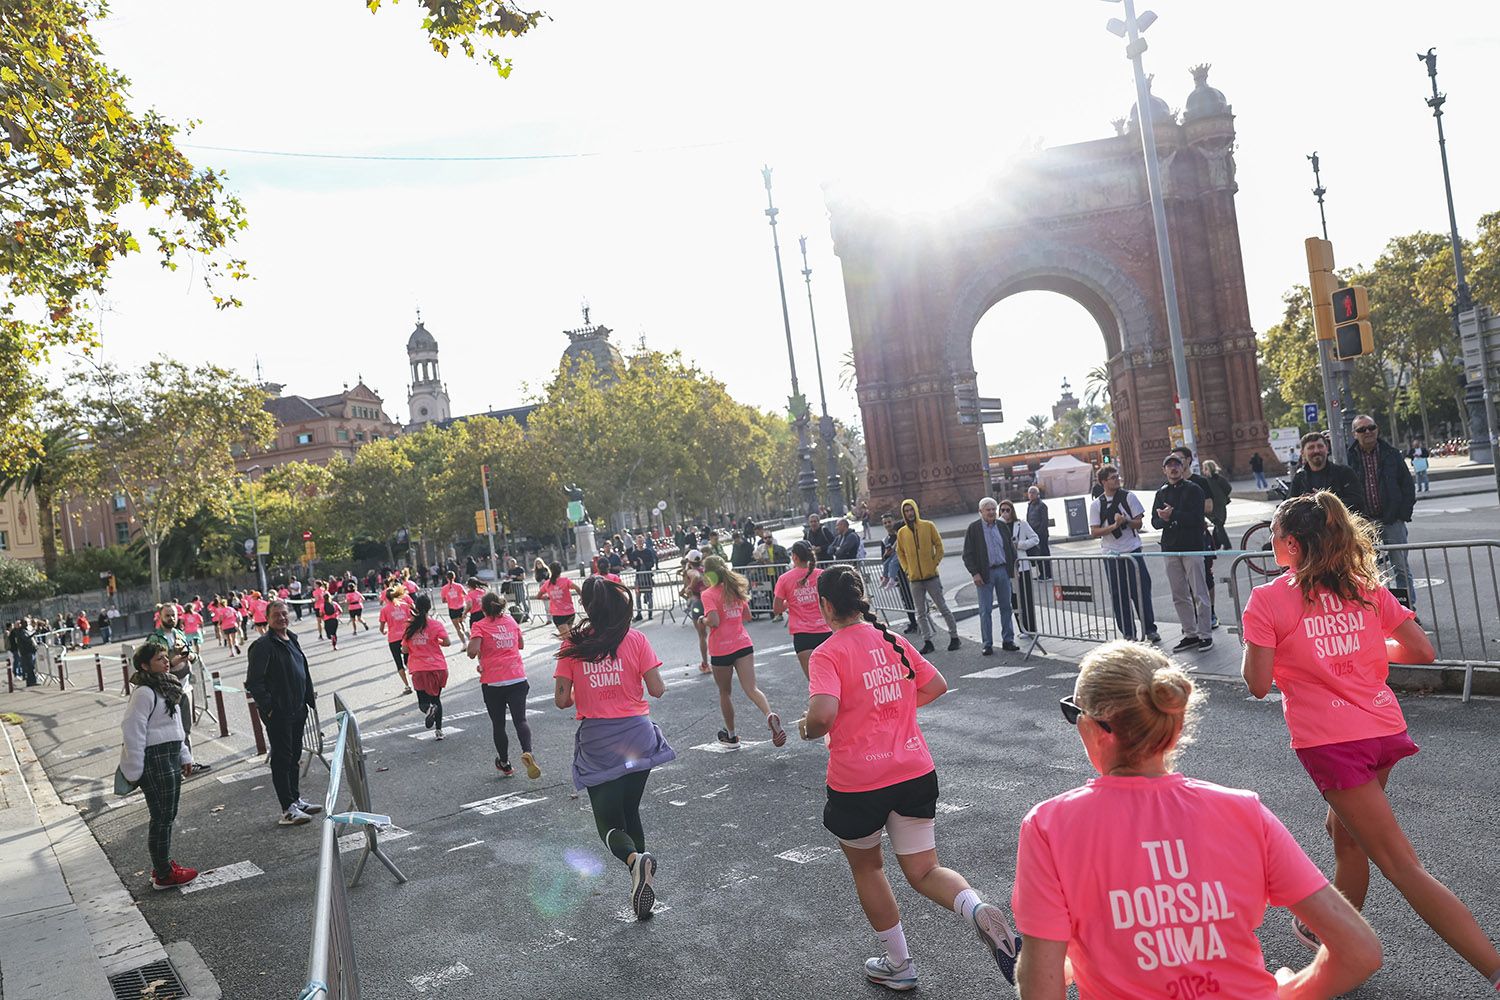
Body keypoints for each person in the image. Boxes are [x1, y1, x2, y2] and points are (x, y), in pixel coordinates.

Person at [1013, 640, 1382, 999]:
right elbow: (1359, 951)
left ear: (1093, 729)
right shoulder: (1244, 812)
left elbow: (1042, 987)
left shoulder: (1050, 826)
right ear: (1175, 727)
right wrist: (1285, 991)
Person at [1242, 491, 1500, 988]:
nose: (1271, 541)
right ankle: (1335, 942)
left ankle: (1493, 968)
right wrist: (1361, 649)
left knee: (1403, 866)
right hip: (1383, 729)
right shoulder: (1362, 587)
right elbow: (1420, 650)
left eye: (1274, 535)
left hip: (1333, 743)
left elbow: (1256, 683)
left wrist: (1273, 646)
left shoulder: (1269, 599)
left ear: (1291, 544)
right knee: (1345, 835)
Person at [798, 566, 1020, 991]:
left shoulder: (828, 653)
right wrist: (894, 712)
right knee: (924, 870)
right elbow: (935, 684)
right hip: (914, 769)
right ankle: (976, 909)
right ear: (861, 597)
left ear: (826, 606)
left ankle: (900, 964)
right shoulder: (893, 641)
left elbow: (823, 715)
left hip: (859, 780)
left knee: (869, 868)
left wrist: (807, 728)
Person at [553, 576, 676, 921]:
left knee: (607, 824)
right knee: (630, 811)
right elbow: (658, 689)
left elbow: (561, 700)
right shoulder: (636, 638)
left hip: (599, 740)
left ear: (587, 606)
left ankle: (636, 863)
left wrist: (588, 690)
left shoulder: (573, 645)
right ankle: (639, 879)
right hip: (638, 734)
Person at [120, 642, 200, 888]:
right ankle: (164, 874)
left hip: (170, 754)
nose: (166, 662)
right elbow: (132, 729)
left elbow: (175, 727)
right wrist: (134, 770)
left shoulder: (166, 686)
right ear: (145, 666)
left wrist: (184, 755)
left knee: (168, 814)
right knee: (161, 817)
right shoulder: (144, 692)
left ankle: (162, 867)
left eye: (166, 657)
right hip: (154, 759)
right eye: (159, 659)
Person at [245, 600, 325, 826]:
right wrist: (269, 708)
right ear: (267, 618)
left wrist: (308, 697)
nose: (281, 618)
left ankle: (295, 799)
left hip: (298, 709)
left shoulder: (292, 638)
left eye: (284, 613)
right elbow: (255, 682)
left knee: (294, 757)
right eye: (276, 615)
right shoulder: (263, 645)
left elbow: (302, 670)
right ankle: (287, 809)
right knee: (282, 759)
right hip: (279, 713)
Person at [700, 555, 786, 748]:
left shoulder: (708, 594)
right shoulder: (735, 590)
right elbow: (747, 616)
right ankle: (769, 714)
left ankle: (731, 736)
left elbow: (714, 621)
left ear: (709, 574)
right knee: (752, 688)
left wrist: (702, 620)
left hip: (721, 649)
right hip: (742, 644)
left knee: (725, 693)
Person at [467, 592, 539, 779]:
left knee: (498, 724)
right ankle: (528, 751)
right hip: (517, 678)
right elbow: (521, 645)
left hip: (493, 682)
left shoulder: (479, 625)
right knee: (520, 720)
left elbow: (472, 651)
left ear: (483, 609)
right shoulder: (511, 622)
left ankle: (505, 764)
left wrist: (478, 649)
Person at [1347, 415, 1417, 601]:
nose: (1368, 432)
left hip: (1392, 520)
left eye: (1371, 427)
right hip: (1364, 524)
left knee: (1401, 566)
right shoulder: (1348, 458)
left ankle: (1409, 608)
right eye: (1362, 429)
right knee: (1367, 569)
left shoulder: (1391, 453)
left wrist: (1402, 514)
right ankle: (1377, 608)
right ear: (1354, 434)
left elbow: (1407, 485)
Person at [1089, 465, 1160, 643]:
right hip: (1111, 554)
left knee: (1141, 591)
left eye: (1117, 476)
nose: (1116, 479)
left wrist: (1126, 521)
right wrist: (1114, 526)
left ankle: (1150, 629)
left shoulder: (1128, 497)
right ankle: (1128, 633)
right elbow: (1095, 532)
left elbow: (1139, 523)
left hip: (1132, 550)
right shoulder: (1097, 504)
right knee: (1119, 594)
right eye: (1112, 477)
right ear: (1104, 481)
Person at [1151, 453, 1212, 652]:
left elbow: (1197, 517)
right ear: (1164, 470)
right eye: (1169, 466)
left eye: (1177, 464)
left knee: (1199, 592)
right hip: (1170, 549)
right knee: (1179, 594)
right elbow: (1154, 522)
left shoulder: (1194, 489)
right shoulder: (1161, 493)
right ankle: (1190, 633)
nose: (1173, 468)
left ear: (1183, 467)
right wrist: (1164, 518)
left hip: (1192, 546)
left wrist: (1173, 515)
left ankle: (1205, 634)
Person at [895, 499, 960, 654]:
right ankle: (927, 640)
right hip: (915, 579)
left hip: (931, 576)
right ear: (904, 514)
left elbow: (939, 545)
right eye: (906, 511)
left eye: (911, 510)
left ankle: (954, 636)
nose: (909, 513)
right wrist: (907, 569)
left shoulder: (928, 526)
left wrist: (934, 562)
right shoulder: (902, 532)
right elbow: (900, 553)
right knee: (920, 612)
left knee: (942, 607)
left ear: (916, 510)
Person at [148, 605, 207, 773]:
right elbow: (151, 665)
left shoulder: (179, 633)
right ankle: (174, 767)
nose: (171, 618)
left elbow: (192, 655)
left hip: (185, 688)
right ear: (160, 617)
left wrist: (190, 655)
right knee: (171, 730)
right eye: (167, 616)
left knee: (186, 728)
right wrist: (172, 662)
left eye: (173, 615)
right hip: (166, 691)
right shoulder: (154, 639)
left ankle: (189, 763)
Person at [962, 498, 1021, 655]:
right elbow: (967, 554)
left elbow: (1009, 548)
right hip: (985, 574)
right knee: (985, 610)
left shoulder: (1001, 526)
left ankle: (1008, 640)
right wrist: (975, 573)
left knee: (1006, 607)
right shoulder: (974, 528)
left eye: (994, 509)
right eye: (987, 509)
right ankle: (987, 643)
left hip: (1002, 571)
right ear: (980, 512)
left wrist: (1014, 567)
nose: (991, 512)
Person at [773, 541, 832, 680]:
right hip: (826, 631)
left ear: (794, 557)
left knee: (815, 682)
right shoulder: (822, 575)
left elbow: (777, 609)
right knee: (835, 678)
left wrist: (790, 603)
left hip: (802, 636)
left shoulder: (784, 579)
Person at [403, 593, 453, 740]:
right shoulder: (436, 624)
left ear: (416, 608)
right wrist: (436, 642)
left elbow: (404, 650)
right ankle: (439, 731)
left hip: (419, 668)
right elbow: (447, 642)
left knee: (423, 702)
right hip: (437, 667)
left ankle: (428, 710)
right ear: (430, 607)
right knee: (436, 699)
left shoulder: (409, 626)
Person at [999, 499, 1040, 638]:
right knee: (1015, 600)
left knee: (1027, 598)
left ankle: (1031, 628)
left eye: (1007, 510)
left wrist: (1020, 544)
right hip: (1008, 569)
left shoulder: (1021, 524)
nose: (1005, 513)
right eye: (1002, 510)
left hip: (1023, 566)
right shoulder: (998, 526)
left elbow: (1035, 539)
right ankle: (1022, 628)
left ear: (1012, 511)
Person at [1289, 432, 1361, 511]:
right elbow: (1289, 507)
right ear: (1302, 453)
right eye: (1311, 448)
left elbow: (1357, 502)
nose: (1316, 451)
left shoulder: (1344, 473)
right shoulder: (1299, 478)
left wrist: (1324, 500)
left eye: (1320, 446)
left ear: (1327, 449)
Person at [878, 512, 919, 635]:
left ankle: (922, 621)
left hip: (909, 570)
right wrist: (886, 555)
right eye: (885, 523)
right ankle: (913, 622)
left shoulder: (902, 534)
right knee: (906, 598)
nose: (887, 525)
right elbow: (884, 559)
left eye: (889, 522)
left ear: (894, 521)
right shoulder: (885, 541)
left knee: (917, 597)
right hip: (899, 574)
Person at [378, 585, 415, 694]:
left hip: (393, 638)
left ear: (386, 598)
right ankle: (416, 679)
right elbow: (413, 618)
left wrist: (384, 631)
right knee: (409, 659)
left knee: (398, 662)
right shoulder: (404, 605)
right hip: (406, 636)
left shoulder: (384, 610)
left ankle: (407, 686)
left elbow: (381, 627)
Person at [679, 550, 710, 673]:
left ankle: (705, 663)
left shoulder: (691, 571)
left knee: (702, 635)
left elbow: (695, 577)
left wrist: (689, 587)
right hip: (710, 600)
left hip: (698, 601)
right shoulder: (706, 569)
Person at [539, 562, 580, 638]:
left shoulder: (547, 584)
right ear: (560, 571)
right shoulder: (566, 581)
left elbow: (538, 596)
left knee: (568, 638)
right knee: (569, 637)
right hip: (570, 612)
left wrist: (546, 597)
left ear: (550, 571)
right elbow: (577, 588)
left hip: (558, 614)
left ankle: (574, 648)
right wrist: (582, 598)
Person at [1201, 459, 1233, 552]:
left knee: (1218, 524)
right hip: (1214, 505)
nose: (1204, 471)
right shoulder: (1209, 480)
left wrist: (1222, 496)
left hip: (1218, 504)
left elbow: (1228, 488)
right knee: (1218, 523)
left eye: (1205, 469)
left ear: (1210, 469)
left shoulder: (1214, 479)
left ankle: (1225, 544)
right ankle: (1217, 544)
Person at [1025, 486, 1052, 581]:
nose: (1031, 494)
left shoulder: (1042, 505)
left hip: (1041, 534)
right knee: (1037, 554)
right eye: (1030, 492)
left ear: (1037, 494)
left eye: (1033, 492)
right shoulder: (1030, 505)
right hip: (1033, 534)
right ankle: (1042, 573)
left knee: (1044, 553)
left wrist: (1039, 533)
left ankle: (1048, 574)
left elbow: (1044, 521)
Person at [628, 534, 657, 622]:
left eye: (641, 541)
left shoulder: (648, 551)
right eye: (638, 541)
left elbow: (652, 563)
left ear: (643, 542)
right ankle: (639, 613)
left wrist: (643, 562)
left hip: (647, 577)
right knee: (637, 596)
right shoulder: (634, 553)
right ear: (636, 542)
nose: (640, 543)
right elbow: (632, 564)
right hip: (638, 577)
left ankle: (650, 613)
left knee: (649, 595)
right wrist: (634, 564)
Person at [440, 571, 469, 642]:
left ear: (446, 578)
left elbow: (443, 600)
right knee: (463, 623)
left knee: (457, 627)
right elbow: (466, 595)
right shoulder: (459, 586)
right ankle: (468, 637)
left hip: (452, 609)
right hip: (461, 607)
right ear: (454, 577)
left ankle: (464, 643)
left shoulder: (444, 588)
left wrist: (449, 600)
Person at [8, 618, 37, 685]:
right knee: (30, 667)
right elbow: (26, 638)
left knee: (30, 667)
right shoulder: (21, 631)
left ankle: (31, 681)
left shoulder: (23, 630)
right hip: (26, 652)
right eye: (26, 622)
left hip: (27, 651)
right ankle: (31, 681)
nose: (27, 624)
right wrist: (34, 632)